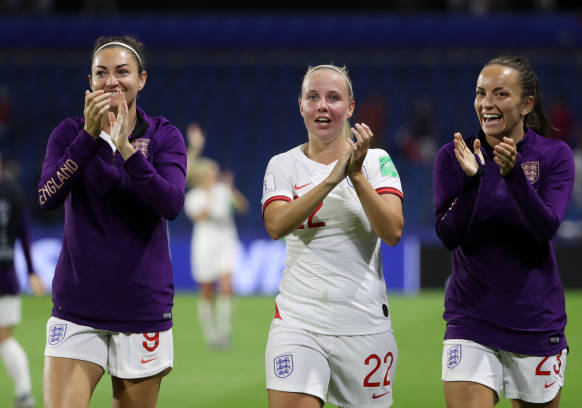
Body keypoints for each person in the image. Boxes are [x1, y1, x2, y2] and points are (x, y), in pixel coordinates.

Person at [37, 35, 186, 408]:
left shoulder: (163, 135)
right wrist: (89, 138)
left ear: (142, 79)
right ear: (90, 81)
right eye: (101, 73)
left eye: (122, 72)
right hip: (77, 304)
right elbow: (46, 197)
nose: (111, 81)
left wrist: (125, 148)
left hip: (141, 305)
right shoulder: (69, 134)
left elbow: (170, 202)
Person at [433, 55, 575, 408]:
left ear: (527, 104)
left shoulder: (554, 156)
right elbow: (449, 235)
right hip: (471, 319)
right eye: (481, 93)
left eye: (500, 94)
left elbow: (544, 229)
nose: (487, 104)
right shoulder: (455, 156)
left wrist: (512, 175)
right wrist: (473, 183)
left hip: (535, 320)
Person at [261, 64, 404, 408]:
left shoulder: (377, 162)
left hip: (364, 323)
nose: (322, 106)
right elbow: (276, 225)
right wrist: (330, 180)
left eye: (333, 98)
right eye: (313, 97)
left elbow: (393, 231)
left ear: (350, 108)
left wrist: (355, 175)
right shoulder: (283, 165)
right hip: (298, 322)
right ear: (301, 106)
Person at [184, 154, 248, 349]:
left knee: (227, 286)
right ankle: (211, 334)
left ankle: (225, 331)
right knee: (207, 291)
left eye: (215, 173)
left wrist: (231, 189)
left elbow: (242, 207)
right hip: (204, 246)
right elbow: (201, 216)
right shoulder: (193, 197)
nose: (214, 176)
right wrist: (211, 193)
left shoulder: (223, 190)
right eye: (210, 173)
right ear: (202, 176)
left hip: (226, 243)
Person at [0, 156, 45, 408]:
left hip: (4, 276)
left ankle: (25, 393)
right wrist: (30, 271)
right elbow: (25, 235)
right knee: (5, 338)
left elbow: (25, 235)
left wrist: (31, 271)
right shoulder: (14, 192)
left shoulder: (14, 194)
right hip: (6, 276)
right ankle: (25, 393)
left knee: (4, 338)